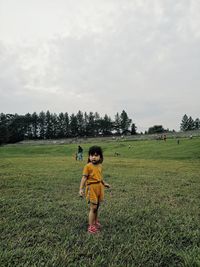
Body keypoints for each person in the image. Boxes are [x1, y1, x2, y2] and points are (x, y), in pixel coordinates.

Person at [79, 146, 110, 234]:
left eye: (96, 155)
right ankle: (91, 226)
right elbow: (84, 178)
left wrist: (104, 183)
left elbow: (99, 177)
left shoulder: (100, 166)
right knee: (93, 208)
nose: (93, 157)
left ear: (100, 157)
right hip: (91, 188)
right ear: (89, 157)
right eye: (91, 155)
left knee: (97, 207)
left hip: (99, 188)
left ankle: (95, 222)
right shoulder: (87, 166)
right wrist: (81, 189)